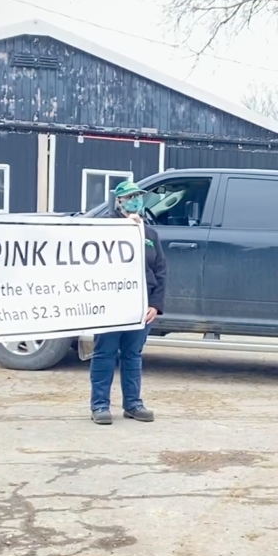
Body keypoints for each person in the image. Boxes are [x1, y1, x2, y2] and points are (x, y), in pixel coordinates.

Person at [89, 181, 166, 424]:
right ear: (119, 201)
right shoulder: (103, 229)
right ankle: (100, 406)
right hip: (112, 304)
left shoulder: (150, 234)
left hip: (141, 306)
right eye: (130, 196)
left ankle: (133, 404)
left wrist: (155, 304)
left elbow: (160, 270)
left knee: (133, 355)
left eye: (138, 196)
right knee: (105, 354)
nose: (135, 200)